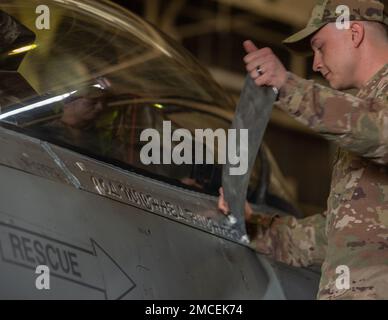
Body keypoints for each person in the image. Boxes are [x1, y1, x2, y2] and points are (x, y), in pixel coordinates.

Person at [219, 0, 388, 299]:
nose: (316, 63)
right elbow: (339, 232)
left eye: (320, 46)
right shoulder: (358, 118)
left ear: (355, 33)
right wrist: (254, 226)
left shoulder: (369, 119)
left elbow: (380, 131)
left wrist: (286, 85)